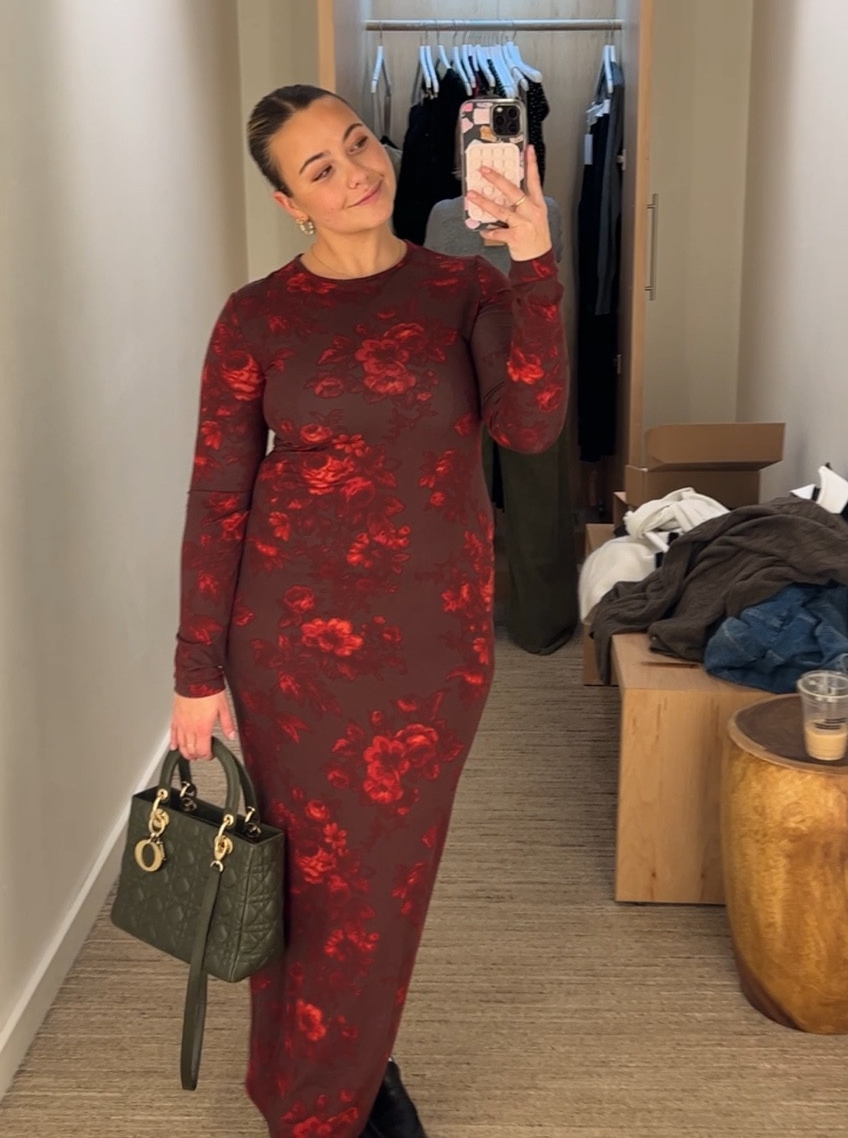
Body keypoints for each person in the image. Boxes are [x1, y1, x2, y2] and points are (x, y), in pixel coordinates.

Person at [169, 85, 568, 1138]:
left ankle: (329, 1074)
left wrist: (533, 264)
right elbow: (218, 495)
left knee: (383, 886)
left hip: (432, 647)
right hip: (291, 654)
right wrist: (195, 671)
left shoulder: (462, 290)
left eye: (356, 143)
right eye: (319, 169)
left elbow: (529, 426)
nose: (354, 173)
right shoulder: (256, 317)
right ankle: (317, 1103)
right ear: (288, 203)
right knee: (301, 882)